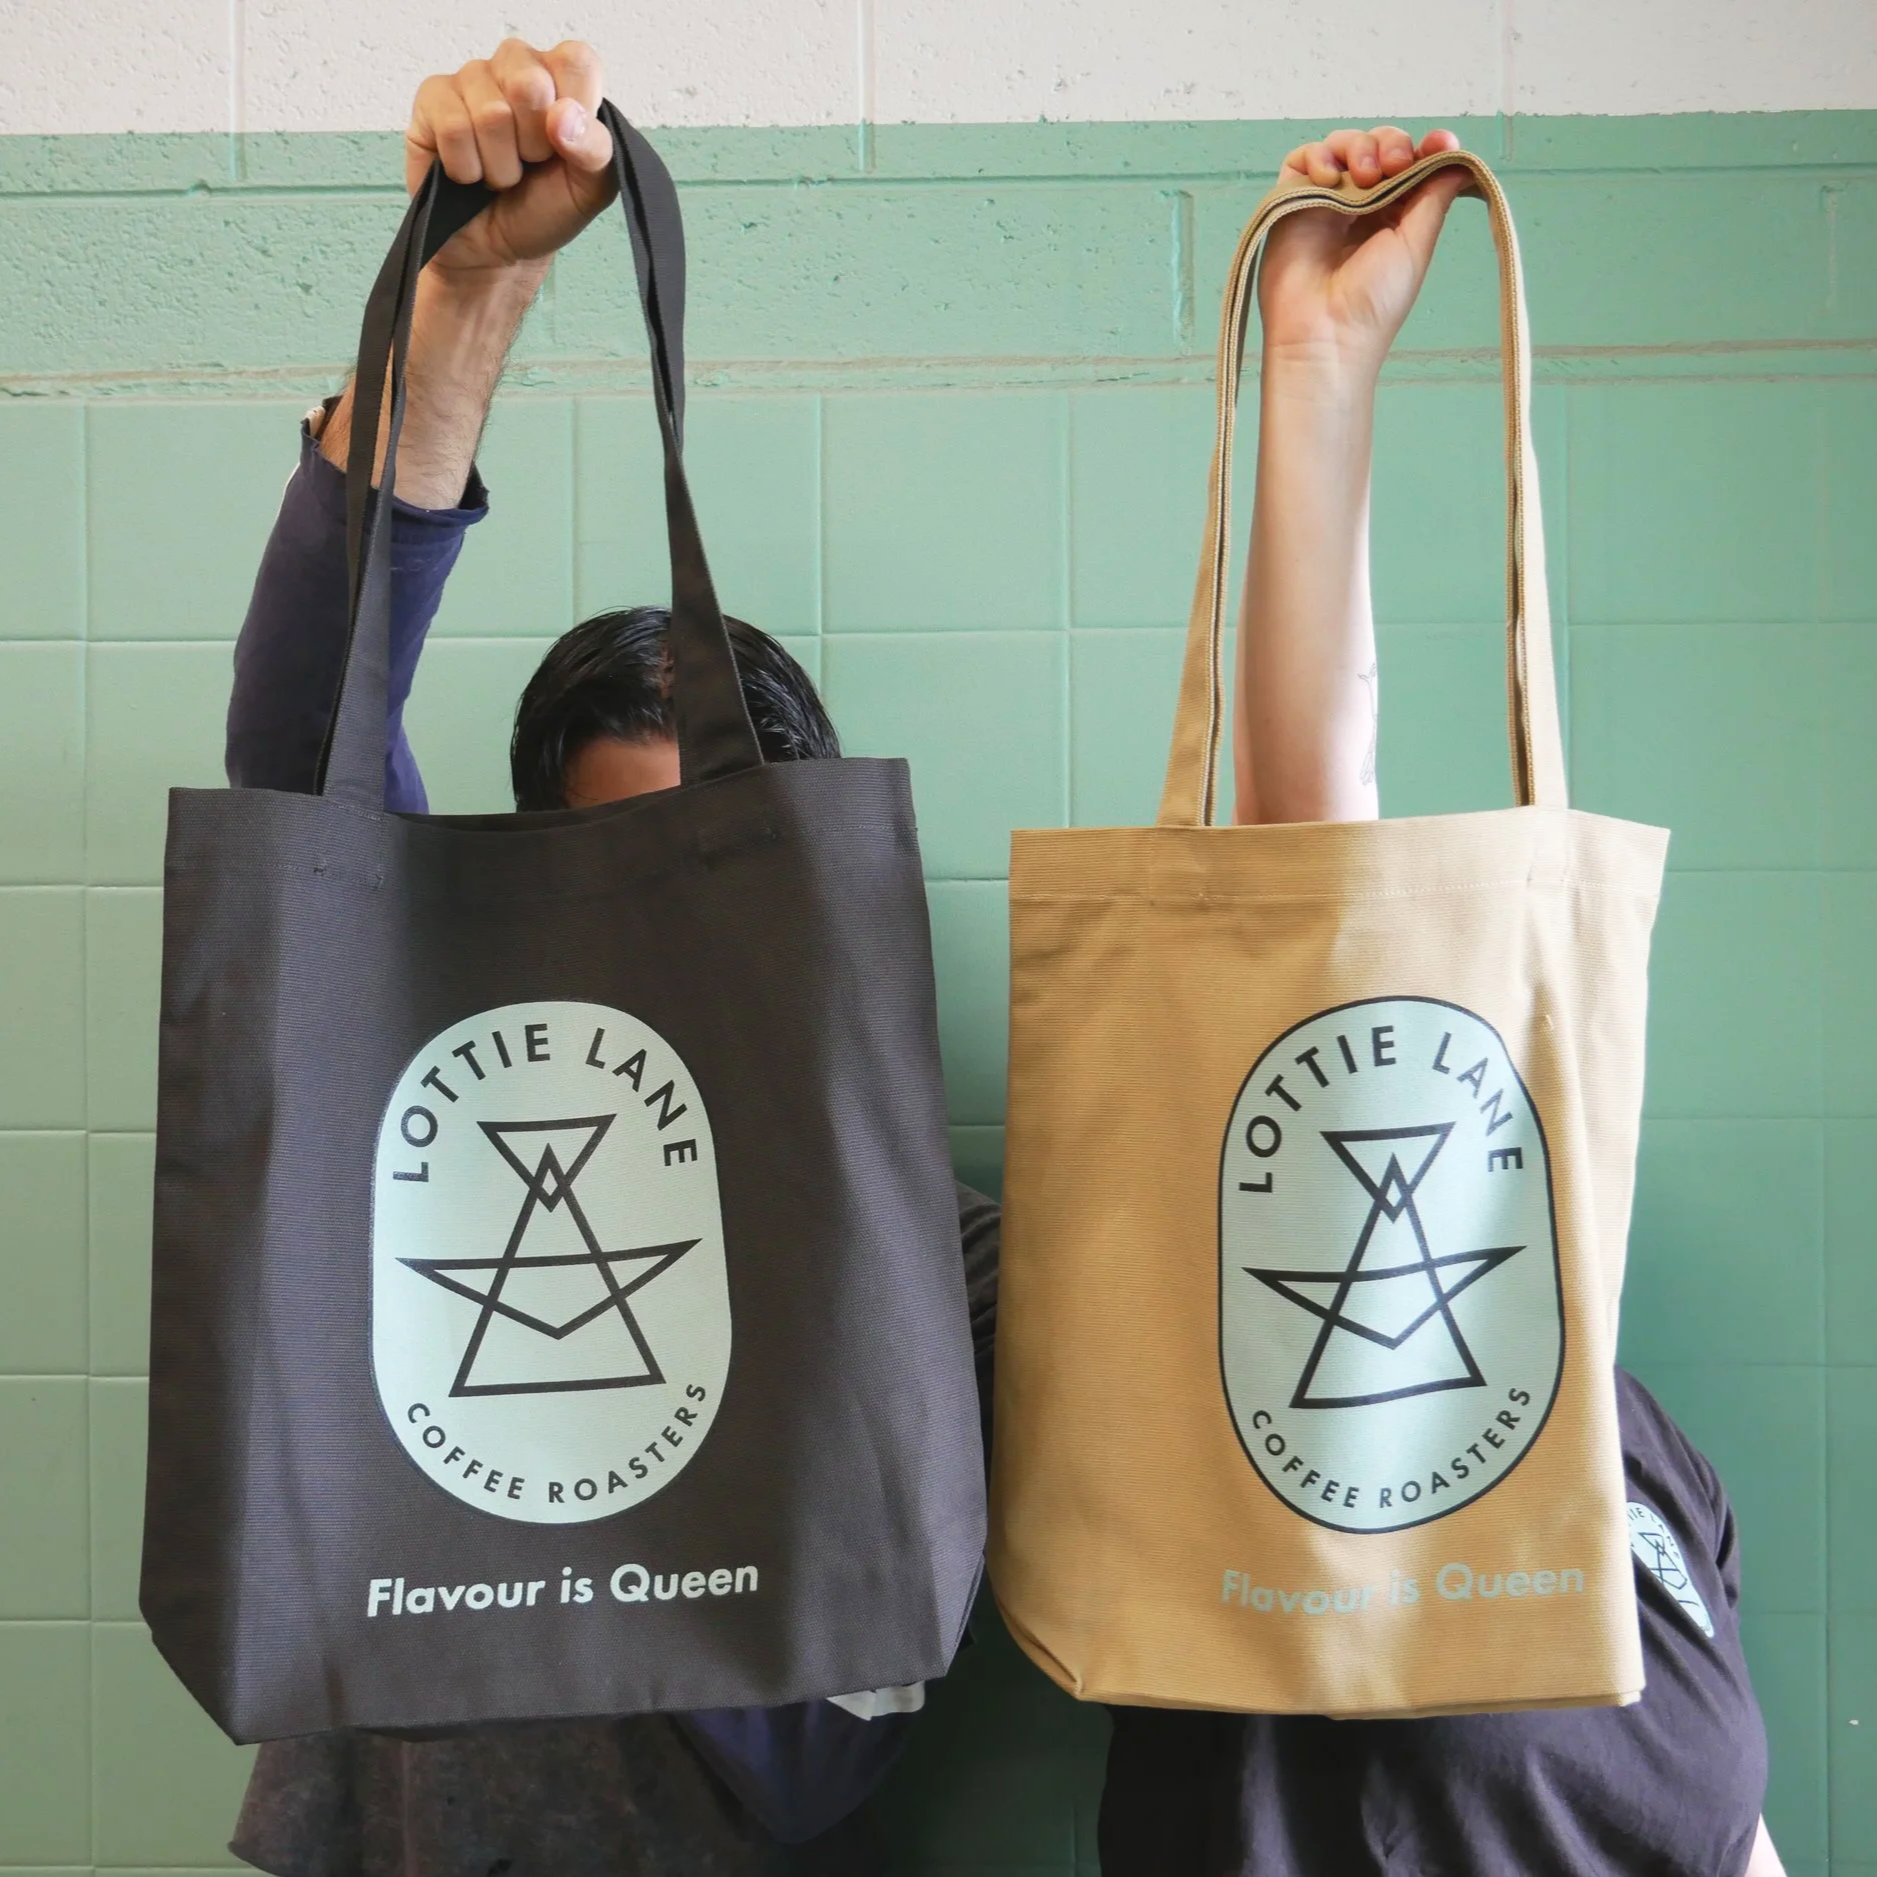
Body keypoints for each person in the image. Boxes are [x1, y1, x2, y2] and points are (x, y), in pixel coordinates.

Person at [218, 39, 1783, 1877]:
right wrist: (459, 298)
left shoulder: (940, 1280)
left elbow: (816, 1744)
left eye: (703, 891)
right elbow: (300, 774)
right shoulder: (438, 1138)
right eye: (593, 880)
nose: (649, 945)